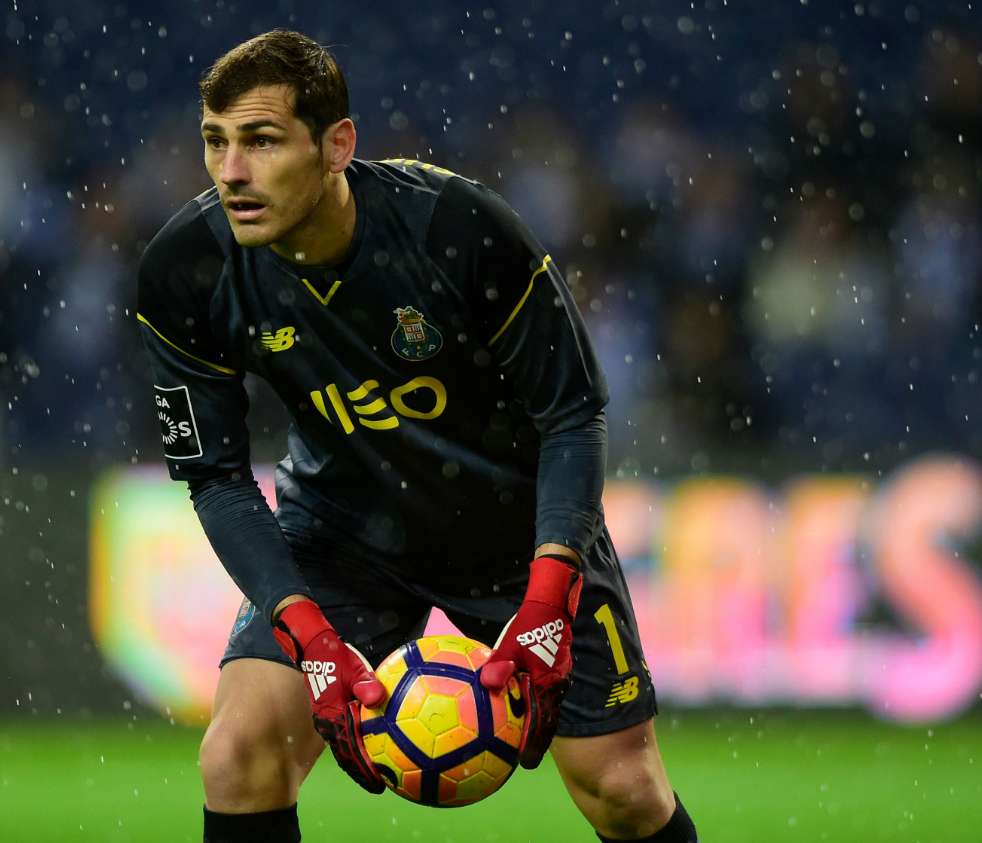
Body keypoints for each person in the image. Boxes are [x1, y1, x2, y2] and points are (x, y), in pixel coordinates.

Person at [137, 29, 698, 843]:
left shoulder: (456, 229)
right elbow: (216, 477)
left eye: (261, 141)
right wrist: (310, 633)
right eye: (215, 143)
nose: (231, 172)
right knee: (238, 756)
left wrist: (547, 598)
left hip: (513, 531)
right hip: (341, 534)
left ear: (338, 145)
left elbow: (570, 412)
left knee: (622, 788)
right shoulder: (186, 271)